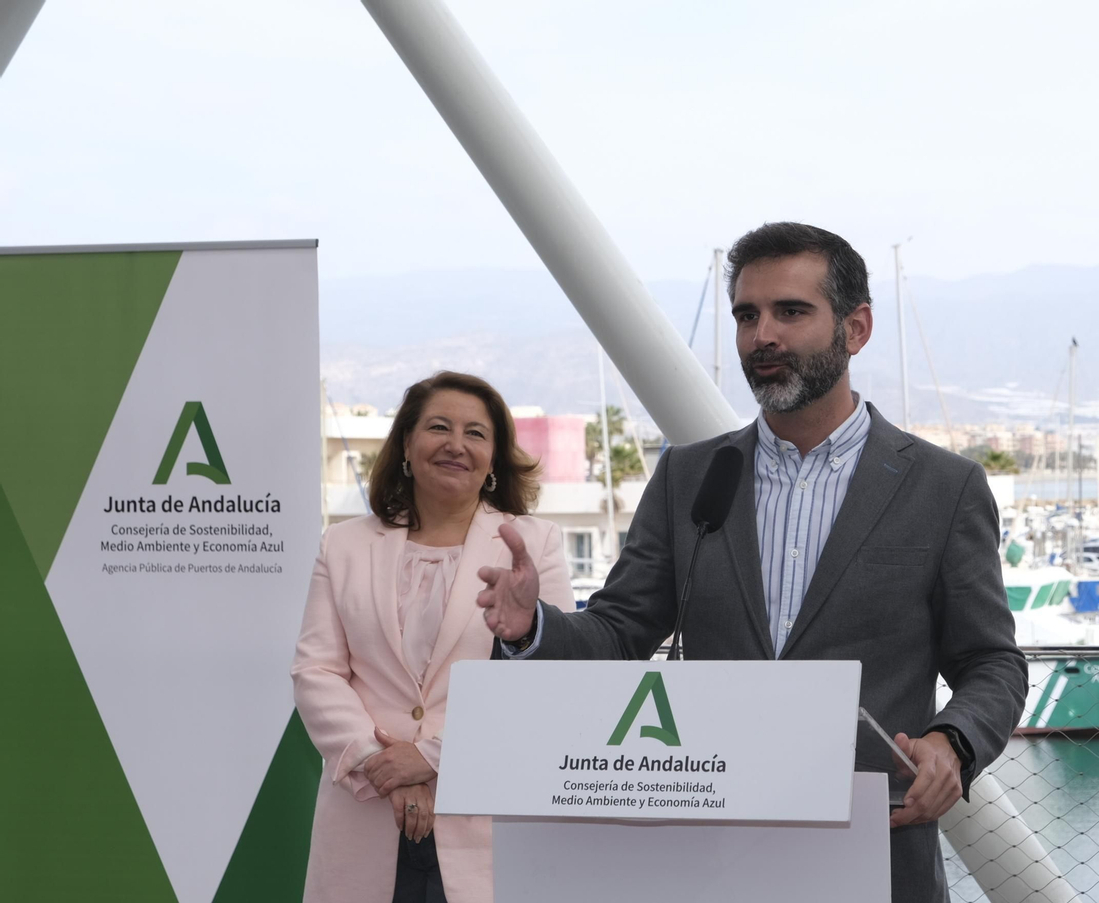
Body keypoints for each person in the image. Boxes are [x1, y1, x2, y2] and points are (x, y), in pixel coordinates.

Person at [477, 222, 1027, 903]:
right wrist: (533, 624)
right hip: (712, 857)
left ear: (856, 329)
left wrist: (953, 741)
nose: (762, 334)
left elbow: (993, 663)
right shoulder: (689, 477)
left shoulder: (943, 488)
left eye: (790, 312)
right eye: (747, 314)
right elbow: (619, 632)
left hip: (876, 851)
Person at [292, 372, 576, 903]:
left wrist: (434, 757)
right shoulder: (344, 544)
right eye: (438, 427)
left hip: (485, 822)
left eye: (476, 433)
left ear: (494, 457)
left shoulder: (534, 545)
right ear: (406, 443)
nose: (456, 444)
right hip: (366, 810)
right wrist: (387, 769)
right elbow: (316, 672)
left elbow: (549, 686)